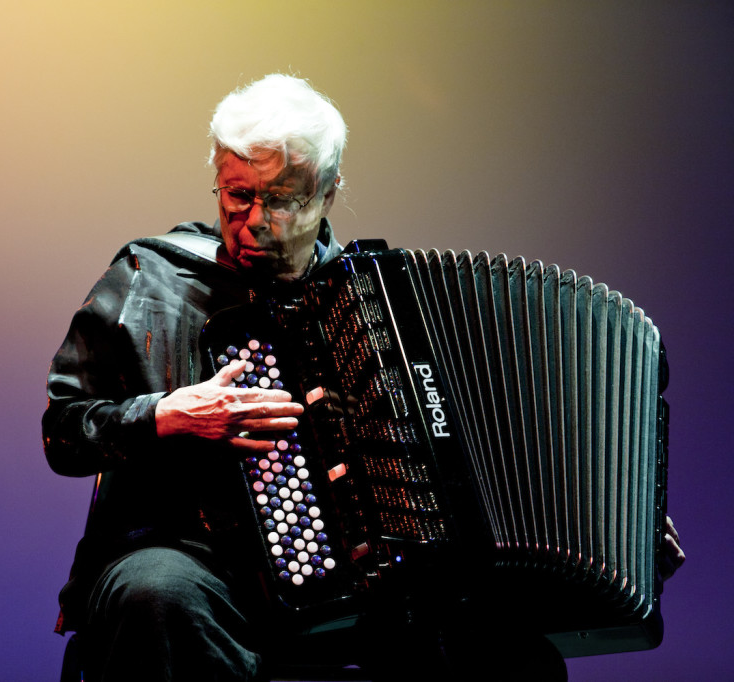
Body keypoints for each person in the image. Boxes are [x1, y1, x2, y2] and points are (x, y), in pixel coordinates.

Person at [42, 74, 685, 681]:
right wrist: (167, 415)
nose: (255, 220)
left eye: (284, 200)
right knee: (158, 595)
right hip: (194, 560)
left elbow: (481, 447)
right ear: (217, 177)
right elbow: (63, 434)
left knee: (510, 651)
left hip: (367, 580)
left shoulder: (380, 309)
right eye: (237, 194)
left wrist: (626, 507)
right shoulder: (151, 277)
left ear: (327, 193)